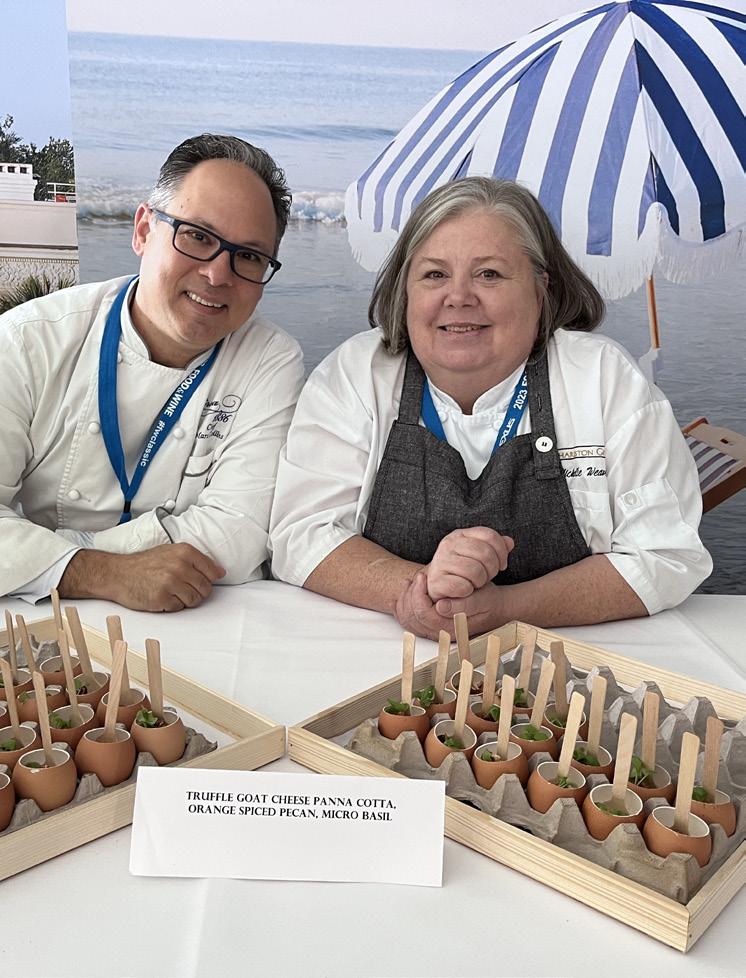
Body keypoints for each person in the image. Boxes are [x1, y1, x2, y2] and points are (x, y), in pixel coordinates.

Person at [270, 177, 711, 639]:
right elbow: (300, 534)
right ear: (405, 290)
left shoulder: (604, 379)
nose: (459, 296)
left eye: (490, 274)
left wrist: (506, 609)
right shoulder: (357, 374)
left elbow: (666, 554)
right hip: (384, 651)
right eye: (435, 275)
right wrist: (418, 590)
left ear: (540, 288)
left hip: (571, 657)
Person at [0, 133, 304, 612]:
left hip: (192, 615)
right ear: (143, 230)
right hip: (41, 611)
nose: (217, 275)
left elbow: (239, 536)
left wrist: (41, 553)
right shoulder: (29, 339)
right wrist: (101, 572)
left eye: (248, 256)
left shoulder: (270, 359)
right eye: (198, 236)